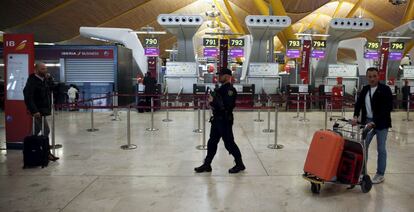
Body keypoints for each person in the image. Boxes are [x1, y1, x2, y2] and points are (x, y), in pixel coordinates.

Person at [194, 68, 245, 174]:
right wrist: (212, 102)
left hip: (225, 120)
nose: (218, 77)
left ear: (227, 76)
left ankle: (240, 164)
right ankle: (207, 164)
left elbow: (227, 107)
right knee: (212, 142)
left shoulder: (230, 90)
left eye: (221, 75)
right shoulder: (220, 89)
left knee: (229, 143)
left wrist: (213, 102)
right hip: (216, 119)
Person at [352, 67, 393, 184]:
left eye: (374, 76)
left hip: (381, 123)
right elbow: (358, 104)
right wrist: (355, 116)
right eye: (369, 76)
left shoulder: (385, 89)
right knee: (363, 147)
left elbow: (387, 108)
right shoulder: (365, 89)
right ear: (367, 77)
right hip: (367, 122)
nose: (372, 79)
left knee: (381, 149)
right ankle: (362, 172)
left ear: (378, 76)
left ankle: (380, 174)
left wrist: (375, 121)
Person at [23, 62, 59, 161]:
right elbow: (28, 97)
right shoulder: (32, 81)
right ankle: (46, 153)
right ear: (36, 70)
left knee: (35, 131)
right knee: (46, 130)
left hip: (44, 110)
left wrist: (50, 78)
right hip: (38, 111)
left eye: (46, 68)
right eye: (43, 69)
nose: (45, 70)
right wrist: (34, 111)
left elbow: (52, 88)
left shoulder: (44, 80)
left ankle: (30, 148)